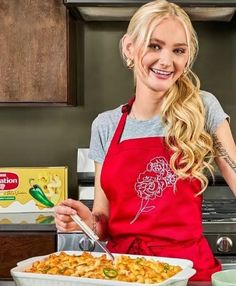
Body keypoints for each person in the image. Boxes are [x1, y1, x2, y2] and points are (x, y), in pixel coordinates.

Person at [55, 0, 236, 281]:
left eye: (178, 51)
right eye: (155, 46)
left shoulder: (203, 107)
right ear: (129, 48)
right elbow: (102, 221)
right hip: (124, 270)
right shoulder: (106, 125)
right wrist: (83, 221)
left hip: (187, 272)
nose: (166, 60)